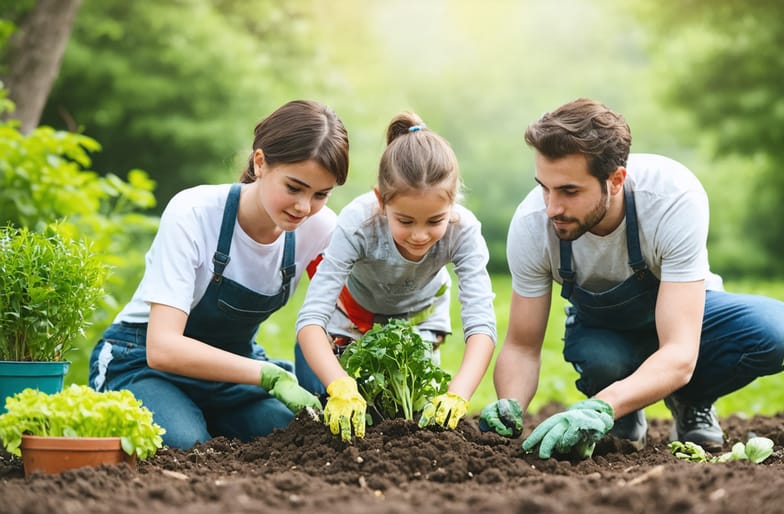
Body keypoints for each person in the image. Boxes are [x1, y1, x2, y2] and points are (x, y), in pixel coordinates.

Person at [478, 98, 784, 459]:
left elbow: (680, 351)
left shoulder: (672, 198)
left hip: (686, 318)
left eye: (569, 191)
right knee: (601, 358)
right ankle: (624, 416)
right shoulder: (532, 225)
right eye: (544, 187)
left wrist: (600, 404)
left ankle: (691, 400)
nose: (552, 207)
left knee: (783, 333)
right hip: (604, 331)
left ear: (616, 180)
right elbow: (523, 346)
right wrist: (510, 403)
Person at [88, 100, 350, 450]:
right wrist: (268, 375)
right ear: (260, 163)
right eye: (294, 187)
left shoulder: (320, 229)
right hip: (141, 362)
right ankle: (183, 414)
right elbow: (162, 348)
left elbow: (334, 318)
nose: (304, 207)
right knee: (186, 445)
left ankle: (202, 414)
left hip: (232, 372)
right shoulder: (194, 213)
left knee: (299, 434)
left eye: (321, 195)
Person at [295, 111, 496, 442]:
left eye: (434, 221)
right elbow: (312, 317)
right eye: (405, 220)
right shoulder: (359, 222)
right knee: (325, 417)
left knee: (408, 416)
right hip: (351, 316)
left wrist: (459, 392)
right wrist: (338, 383)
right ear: (381, 200)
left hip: (419, 317)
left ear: (453, 202)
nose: (419, 235)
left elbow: (481, 322)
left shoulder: (464, 230)